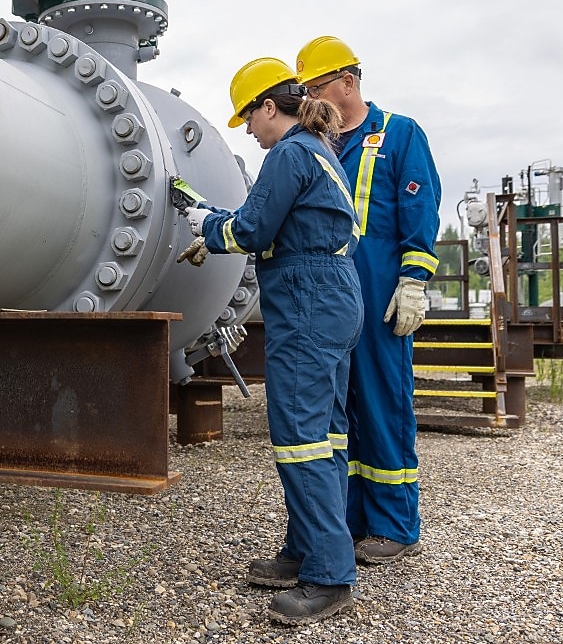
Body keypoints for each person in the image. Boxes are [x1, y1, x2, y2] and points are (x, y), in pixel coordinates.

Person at [178, 57, 362, 625]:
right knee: (326, 436)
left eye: (248, 119)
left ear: (267, 106)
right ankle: (306, 549)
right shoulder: (319, 150)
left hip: (308, 301)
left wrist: (205, 225)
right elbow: (275, 221)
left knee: (301, 438)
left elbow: (253, 229)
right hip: (333, 296)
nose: (248, 132)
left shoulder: (287, 153)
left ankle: (328, 575)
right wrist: (220, 221)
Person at [294, 36, 441, 565]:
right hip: (332, 294)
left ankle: (395, 525)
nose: (309, 100)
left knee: (383, 402)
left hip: (379, 293)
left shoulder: (399, 134)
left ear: (348, 82)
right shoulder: (318, 143)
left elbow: (419, 212)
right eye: (304, 92)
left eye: (316, 89)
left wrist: (413, 281)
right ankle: (351, 519)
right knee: (340, 407)